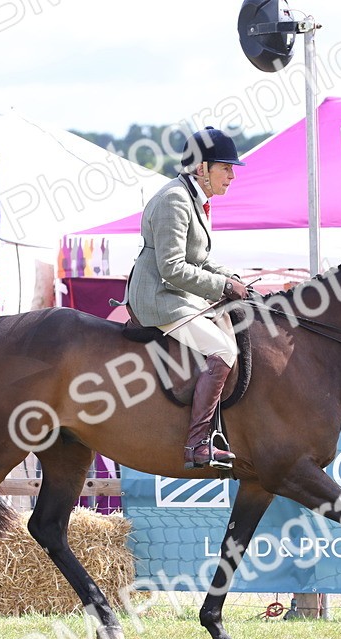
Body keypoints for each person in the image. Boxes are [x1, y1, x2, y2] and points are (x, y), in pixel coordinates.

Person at [125, 127, 249, 469]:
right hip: (158, 296)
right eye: (225, 168)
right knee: (224, 349)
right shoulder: (175, 200)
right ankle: (197, 444)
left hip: (176, 292)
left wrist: (231, 278)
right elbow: (172, 268)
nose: (232, 176)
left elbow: (199, 259)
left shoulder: (195, 198)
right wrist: (222, 288)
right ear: (201, 169)